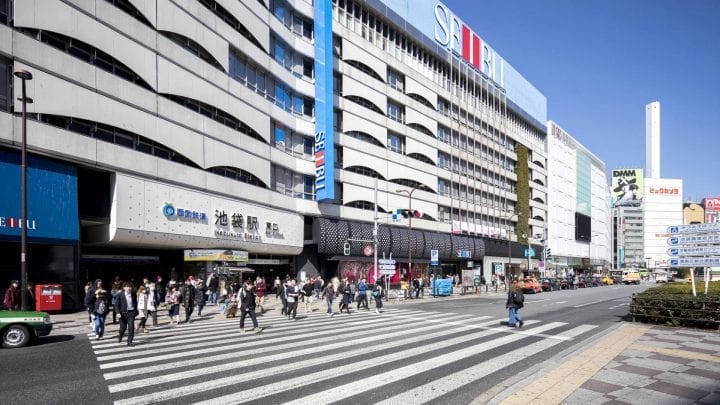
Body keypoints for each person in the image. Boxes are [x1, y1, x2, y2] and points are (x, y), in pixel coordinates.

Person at [116, 282, 138, 346]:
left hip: (131, 312)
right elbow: (116, 305)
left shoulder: (133, 294)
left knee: (131, 327)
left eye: (130, 287)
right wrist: (117, 313)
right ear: (124, 288)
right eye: (128, 287)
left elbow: (135, 303)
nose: (129, 288)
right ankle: (120, 337)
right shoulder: (119, 295)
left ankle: (129, 341)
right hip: (122, 314)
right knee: (123, 328)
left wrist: (135, 311)